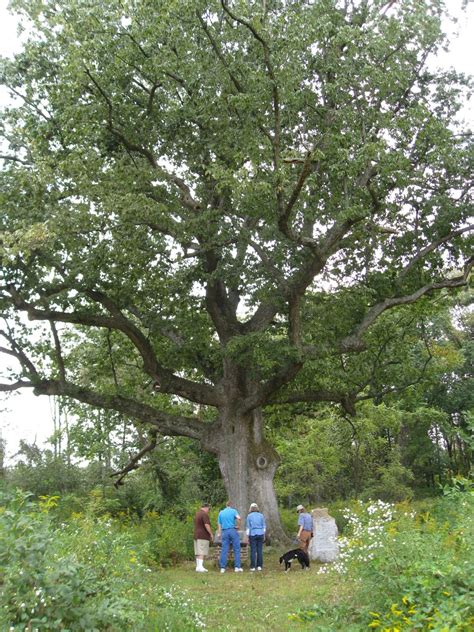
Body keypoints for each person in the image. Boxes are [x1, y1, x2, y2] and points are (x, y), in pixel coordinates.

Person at [217, 500, 243, 573]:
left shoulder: (221, 513)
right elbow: (239, 518)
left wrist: (219, 533)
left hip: (224, 531)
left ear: (226, 505)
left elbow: (219, 524)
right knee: (237, 549)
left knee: (224, 549)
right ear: (231, 505)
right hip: (232, 531)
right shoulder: (233, 511)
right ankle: (237, 567)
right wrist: (238, 526)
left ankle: (222, 568)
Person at [245, 502, 266, 571]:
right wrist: (264, 535)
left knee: (253, 550)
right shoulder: (261, 515)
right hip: (260, 533)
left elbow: (248, 527)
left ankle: (253, 566)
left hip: (252, 534)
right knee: (259, 550)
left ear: (251, 509)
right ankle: (259, 566)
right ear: (257, 508)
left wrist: (247, 537)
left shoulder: (249, 516)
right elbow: (264, 526)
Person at [193, 503, 213, 573]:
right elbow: (207, 525)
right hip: (202, 535)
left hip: (196, 535)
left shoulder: (197, 514)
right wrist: (211, 534)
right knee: (202, 551)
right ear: (206, 507)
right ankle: (200, 567)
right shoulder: (204, 514)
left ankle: (198, 567)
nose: (209, 511)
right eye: (209, 509)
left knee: (198, 551)